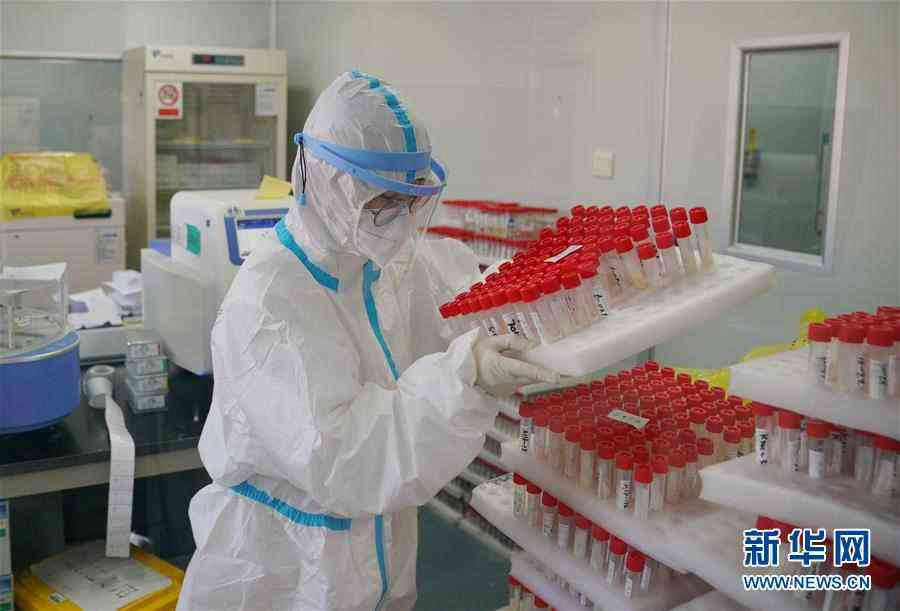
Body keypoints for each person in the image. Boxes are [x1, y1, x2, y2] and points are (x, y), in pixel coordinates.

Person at [177, 71, 559, 611]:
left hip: (375, 543)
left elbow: (452, 304)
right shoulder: (269, 304)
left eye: (410, 200)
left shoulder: (373, 259)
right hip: (284, 564)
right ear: (327, 181)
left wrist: (534, 299)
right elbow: (346, 457)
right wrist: (466, 375)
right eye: (383, 200)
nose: (400, 220)